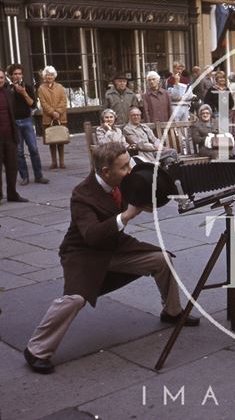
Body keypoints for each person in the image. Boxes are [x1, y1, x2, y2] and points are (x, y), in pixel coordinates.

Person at [23, 142, 199, 374]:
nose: (130, 169)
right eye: (124, 167)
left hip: (115, 246)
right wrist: (126, 216)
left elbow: (143, 191)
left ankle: (172, 312)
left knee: (161, 259)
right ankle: (36, 349)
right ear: (106, 171)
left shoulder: (122, 180)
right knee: (75, 299)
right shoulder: (82, 195)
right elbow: (92, 236)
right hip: (83, 252)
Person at [7, 63, 49, 186]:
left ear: (22, 75)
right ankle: (24, 177)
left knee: (34, 149)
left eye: (19, 73)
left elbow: (32, 105)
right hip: (14, 122)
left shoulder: (28, 87)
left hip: (26, 120)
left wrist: (24, 93)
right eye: (15, 74)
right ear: (11, 75)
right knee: (19, 152)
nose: (17, 76)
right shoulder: (7, 89)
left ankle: (38, 175)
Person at [0, 69, 28, 203]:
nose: (0, 80)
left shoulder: (8, 93)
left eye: (1, 78)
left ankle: (12, 193)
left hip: (10, 136)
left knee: (12, 166)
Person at [37, 66, 67, 169]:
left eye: (51, 74)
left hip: (61, 117)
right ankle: (54, 161)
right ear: (45, 76)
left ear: (55, 76)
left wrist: (58, 111)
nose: (50, 76)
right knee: (52, 140)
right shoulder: (41, 88)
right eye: (48, 75)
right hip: (48, 118)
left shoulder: (60, 87)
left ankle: (62, 161)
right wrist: (52, 112)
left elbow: (64, 101)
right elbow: (43, 103)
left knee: (61, 139)